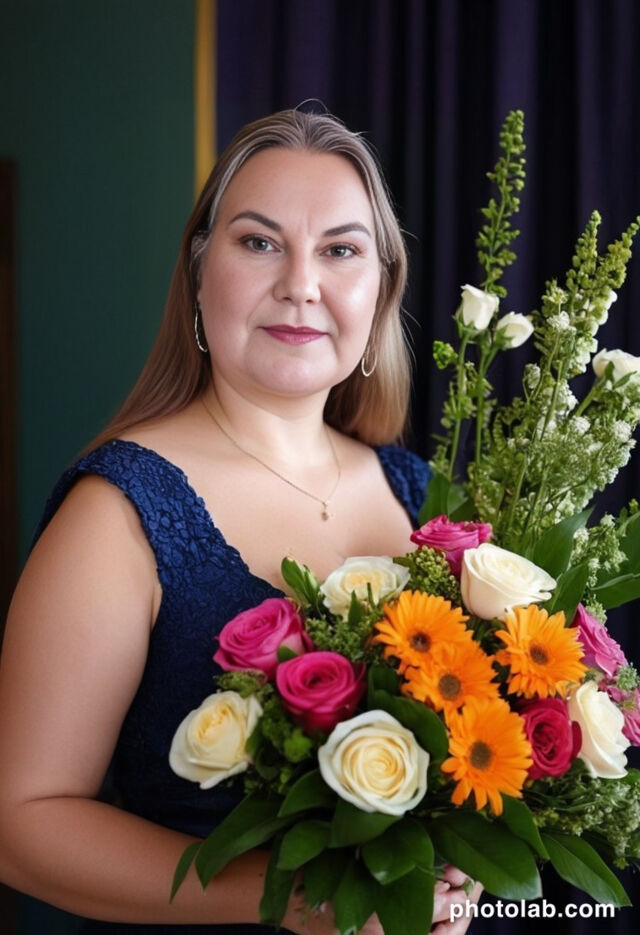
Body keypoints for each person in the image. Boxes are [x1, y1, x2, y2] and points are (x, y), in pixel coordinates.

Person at [0, 109, 481, 934]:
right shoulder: (116, 513)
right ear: (198, 275)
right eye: (259, 242)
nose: (301, 283)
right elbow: (20, 823)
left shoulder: (422, 498)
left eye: (340, 250)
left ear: (381, 290)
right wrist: (284, 898)